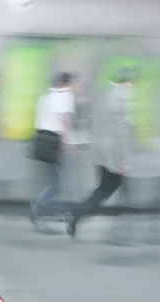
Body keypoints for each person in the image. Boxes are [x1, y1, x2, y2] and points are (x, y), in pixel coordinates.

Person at [66, 69, 136, 238]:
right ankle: (78, 214)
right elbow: (122, 133)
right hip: (114, 154)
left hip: (101, 151)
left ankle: (79, 214)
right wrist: (123, 160)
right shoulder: (124, 98)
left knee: (105, 189)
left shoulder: (105, 95)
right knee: (109, 190)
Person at [29, 72, 78, 230]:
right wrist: (68, 142)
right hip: (54, 140)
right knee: (57, 183)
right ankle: (39, 207)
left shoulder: (47, 95)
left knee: (55, 180)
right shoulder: (66, 95)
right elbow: (64, 120)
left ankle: (52, 210)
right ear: (67, 82)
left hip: (41, 138)